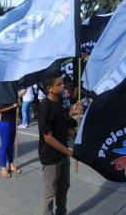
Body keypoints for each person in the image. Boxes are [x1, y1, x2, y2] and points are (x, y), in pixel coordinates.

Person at [37, 73, 82, 215]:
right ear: (49, 88)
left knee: (64, 187)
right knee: (50, 193)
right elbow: (48, 137)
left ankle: (61, 212)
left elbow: (61, 121)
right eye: (59, 84)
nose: (63, 86)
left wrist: (71, 113)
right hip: (50, 157)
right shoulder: (44, 107)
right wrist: (69, 151)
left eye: (62, 83)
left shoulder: (59, 101)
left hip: (63, 154)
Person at [0, 101, 21, 178]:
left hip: (13, 121)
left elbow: (16, 108)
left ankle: (11, 165)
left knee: (11, 144)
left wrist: (18, 105)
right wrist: (13, 106)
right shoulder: (2, 94)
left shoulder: (14, 94)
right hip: (4, 122)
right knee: (5, 145)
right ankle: (3, 168)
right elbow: (0, 109)